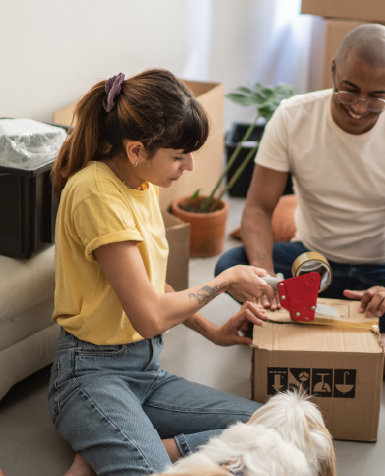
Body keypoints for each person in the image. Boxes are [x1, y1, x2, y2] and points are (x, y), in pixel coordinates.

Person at [215, 24, 385, 398]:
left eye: (376, 97)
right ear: (333, 69)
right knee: (230, 267)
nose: (358, 107)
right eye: (349, 89)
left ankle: (316, 324)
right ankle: (368, 337)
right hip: (312, 262)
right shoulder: (292, 117)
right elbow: (257, 208)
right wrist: (266, 278)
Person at [49, 69, 273, 476]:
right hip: (91, 377)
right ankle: (124, 444)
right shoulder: (96, 194)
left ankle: (136, 448)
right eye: (178, 155)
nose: (188, 166)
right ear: (136, 150)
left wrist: (213, 333)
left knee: (271, 430)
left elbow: (153, 287)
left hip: (145, 372)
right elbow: (149, 314)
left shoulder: (141, 182)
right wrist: (226, 279)